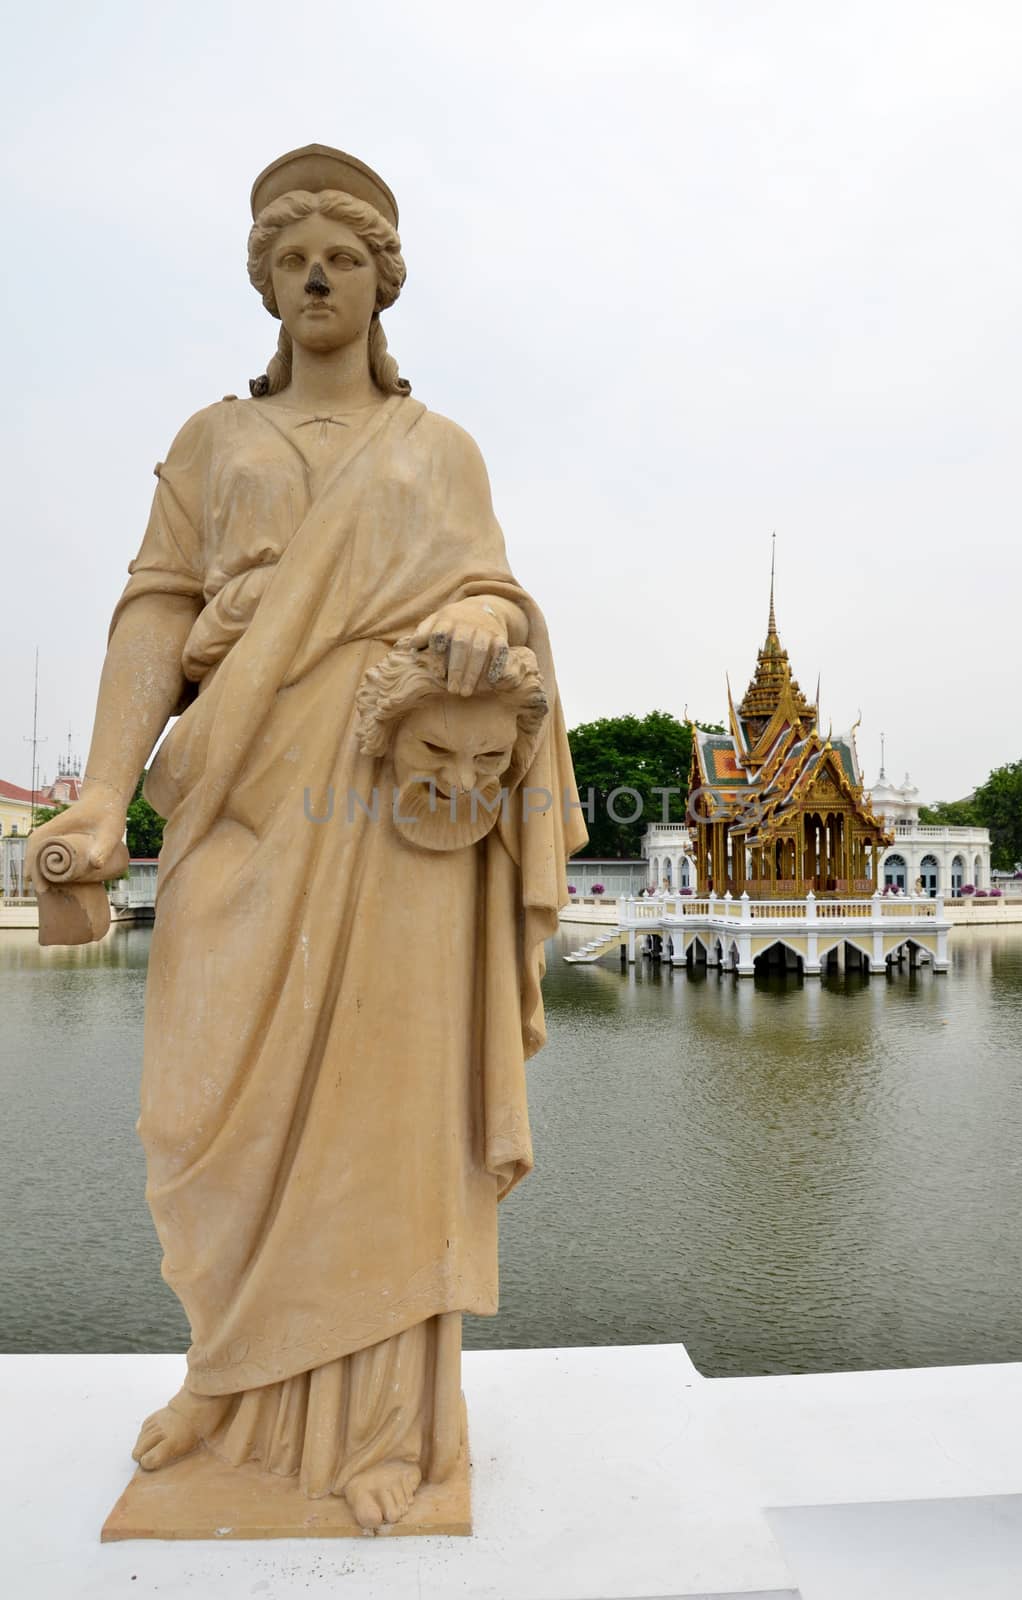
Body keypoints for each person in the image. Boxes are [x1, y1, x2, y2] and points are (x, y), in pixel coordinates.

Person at [27, 144, 585, 1532]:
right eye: (290, 259)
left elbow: (500, 598)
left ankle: (391, 1428)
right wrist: (102, 793)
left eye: (341, 256)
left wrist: (484, 621)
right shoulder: (214, 442)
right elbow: (155, 611)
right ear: (267, 284)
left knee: (390, 1123)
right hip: (235, 804)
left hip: (394, 829)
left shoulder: (434, 451)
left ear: (384, 282)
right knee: (195, 1109)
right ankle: (225, 1372)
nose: (316, 276)